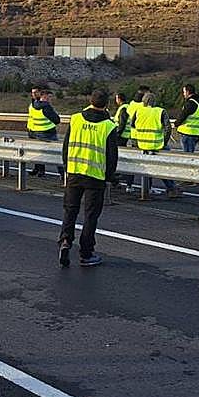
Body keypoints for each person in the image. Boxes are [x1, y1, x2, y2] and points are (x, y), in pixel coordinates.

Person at [59, 89, 119, 268]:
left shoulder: (75, 119)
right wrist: (109, 177)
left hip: (74, 173)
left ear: (90, 101)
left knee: (70, 211)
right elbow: (111, 156)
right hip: (95, 177)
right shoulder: (109, 126)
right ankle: (86, 253)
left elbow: (66, 147)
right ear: (106, 105)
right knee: (90, 216)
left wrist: (67, 168)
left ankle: (65, 241)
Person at [132, 92, 180, 197]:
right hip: (157, 145)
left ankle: (147, 188)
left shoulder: (138, 111)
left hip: (142, 145)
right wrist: (164, 142)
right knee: (163, 167)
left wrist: (135, 142)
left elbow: (133, 126)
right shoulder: (160, 111)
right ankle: (171, 188)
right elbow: (168, 128)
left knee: (147, 167)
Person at [27, 88, 61, 177]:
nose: (50, 99)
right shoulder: (46, 107)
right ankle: (63, 175)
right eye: (49, 97)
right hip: (48, 132)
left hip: (35, 131)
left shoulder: (32, 104)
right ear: (45, 97)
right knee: (57, 155)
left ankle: (40, 171)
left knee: (39, 152)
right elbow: (57, 120)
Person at [172, 84, 199, 153]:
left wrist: (176, 123)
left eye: (184, 92)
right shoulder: (198, 102)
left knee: (187, 155)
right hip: (195, 132)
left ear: (188, 92)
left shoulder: (191, 103)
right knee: (190, 153)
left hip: (188, 133)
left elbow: (183, 115)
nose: (183, 94)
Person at [111, 92, 133, 188]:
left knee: (116, 158)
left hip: (121, 137)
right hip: (126, 135)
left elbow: (121, 124)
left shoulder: (123, 108)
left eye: (116, 99)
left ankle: (116, 180)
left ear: (119, 99)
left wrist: (117, 134)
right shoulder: (128, 107)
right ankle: (118, 180)